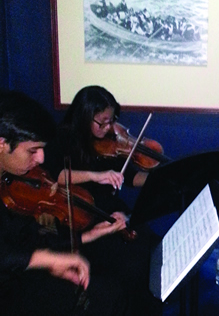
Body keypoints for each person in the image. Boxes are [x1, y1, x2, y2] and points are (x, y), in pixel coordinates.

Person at [0, 90, 128, 315]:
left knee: (110, 293)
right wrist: (47, 259)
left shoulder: (10, 180)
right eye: (33, 150)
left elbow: (26, 235)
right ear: (2, 143)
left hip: (20, 273)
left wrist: (86, 236)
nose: (41, 159)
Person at [43, 85, 162, 316]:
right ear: (84, 115)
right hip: (82, 216)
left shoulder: (109, 142)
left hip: (110, 210)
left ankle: (148, 306)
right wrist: (95, 175)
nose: (109, 128)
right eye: (102, 122)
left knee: (151, 244)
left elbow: (128, 176)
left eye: (111, 120)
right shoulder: (63, 138)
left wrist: (157, 178)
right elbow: (55, 174)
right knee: (132, 263)